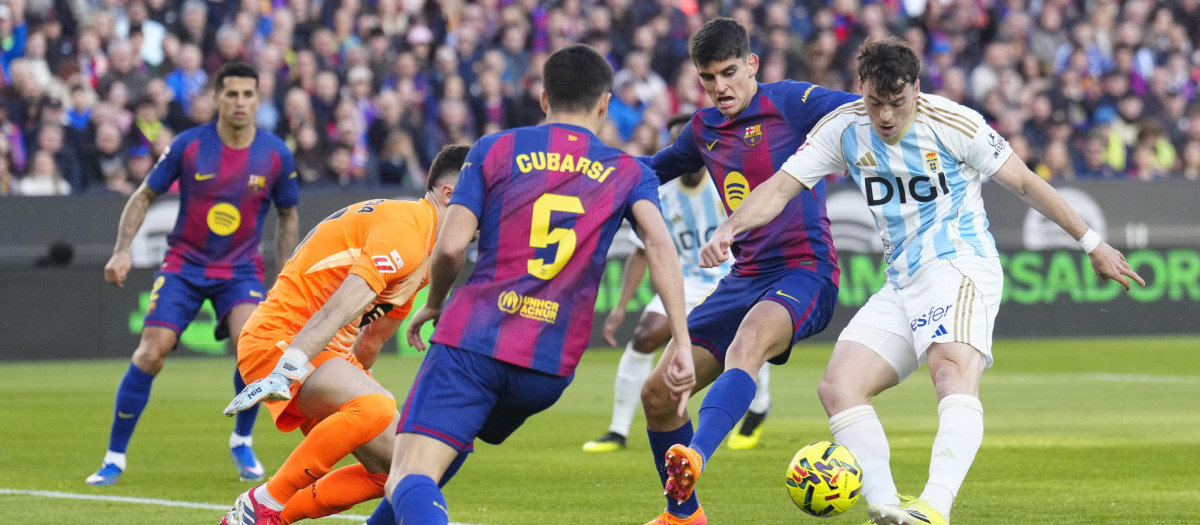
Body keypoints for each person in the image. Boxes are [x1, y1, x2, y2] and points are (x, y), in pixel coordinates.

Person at [701, 37, 1145, 525]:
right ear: (860, 91)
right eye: (874, 103)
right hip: (902, 279)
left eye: (897, 103)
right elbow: (781, 188)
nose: (885, 116)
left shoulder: (955, 123)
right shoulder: (843, 129)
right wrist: (729, 228)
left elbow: (1025, 183)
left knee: (950, 369)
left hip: (960, 263)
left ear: (916, 88)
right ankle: (888, 509)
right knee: (839, 386)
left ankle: (934, 508)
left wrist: (1092, 244)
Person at [363, 43, 696, 525]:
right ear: (605, 104)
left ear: (544, 99)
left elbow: (452, 247)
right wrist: (681, 341)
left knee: (410, 473)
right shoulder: (627, 170)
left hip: (474, 341)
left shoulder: (495, 149)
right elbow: (660, 246)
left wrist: (434, 303)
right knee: (435, 463)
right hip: (547, 368)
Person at [636, 18, 857, 525]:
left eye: (729, 73)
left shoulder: (791, 102)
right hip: (744, 277)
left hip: (807, 271)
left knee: (747, 344)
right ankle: (683, 516)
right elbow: (651, 171)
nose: (720, 87)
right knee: (660, 394)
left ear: (752, 64)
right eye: (708, 78)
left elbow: (861, 109)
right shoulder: (702, 129)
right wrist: (592, 179)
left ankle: (697, 455)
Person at [218, 145, 470, 525]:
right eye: (480, 196)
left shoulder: (425, 254)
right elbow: (342, 303)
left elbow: (369, 342)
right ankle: (263, 504)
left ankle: (273, 518)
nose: (485, 209)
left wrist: (348, 400)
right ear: (449, 194)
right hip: (282, 337)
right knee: (376, 406)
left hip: (321, 353)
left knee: (398, 470)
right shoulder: (409, 232)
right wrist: (293, 364)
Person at [87, 62, 300, 487]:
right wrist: (122, 250)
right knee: (152, 352)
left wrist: (287, 277)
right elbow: (144, 194)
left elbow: (288, 214)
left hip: (241, 270)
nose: (240, 102)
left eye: (248, 94)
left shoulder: (276, 153)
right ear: (217, 98)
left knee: (252, 347)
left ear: (259, 100)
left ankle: (241, 441)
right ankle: (114, 457)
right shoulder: (188, 145)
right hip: (184, 265)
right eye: (232, 94)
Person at [583, 114, 772, 454]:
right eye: (674, 145)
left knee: (748, 339)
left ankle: (758, 408)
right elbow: (641, 253)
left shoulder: (724, 181)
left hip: (730, 278)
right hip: (682, 283)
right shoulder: (660, 191)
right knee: (644, 337)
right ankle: (618, 429)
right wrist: (621, 305)